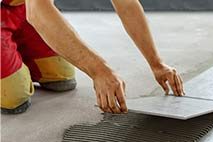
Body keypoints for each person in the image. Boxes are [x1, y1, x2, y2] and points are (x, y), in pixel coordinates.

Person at [1, 0, 184, 114]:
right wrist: (99, 70)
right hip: (24, 10)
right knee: (14, 97)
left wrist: (156, 63)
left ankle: (14, 45)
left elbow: (127, 5)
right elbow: (38, 13)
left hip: (22, 7)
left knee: (61, 77)